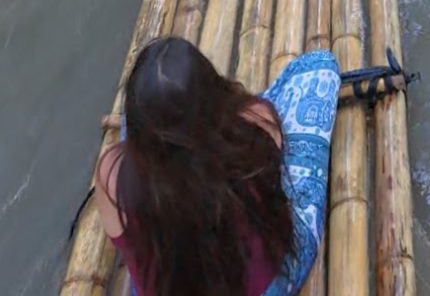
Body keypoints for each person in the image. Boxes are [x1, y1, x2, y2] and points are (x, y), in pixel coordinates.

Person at [94, 37, 340, 296]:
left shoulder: (111, 173)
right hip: (265, 288)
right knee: (320, 65)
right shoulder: (253, 129)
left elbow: (124, 241)